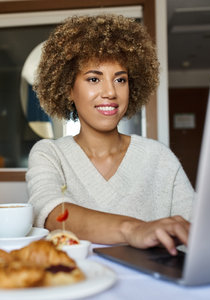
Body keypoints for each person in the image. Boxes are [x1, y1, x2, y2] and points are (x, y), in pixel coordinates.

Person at [27, 14, 194, 255]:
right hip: (75, 285)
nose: (110, 92)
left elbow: (196, 228)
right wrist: (133, 230)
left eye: (120, 79)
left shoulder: (159, 157)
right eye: (94, 79)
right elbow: (50, 212)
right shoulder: (50, 154)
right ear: (68, 90)